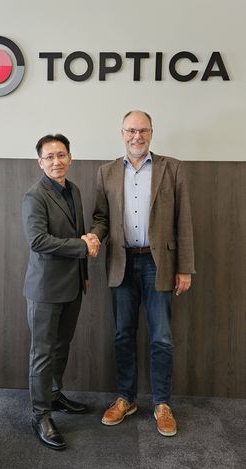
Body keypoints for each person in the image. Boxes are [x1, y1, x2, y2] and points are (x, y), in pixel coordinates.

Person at [88, 110, 195, 436]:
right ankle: (126, 398)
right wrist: (94, 234)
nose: (138, 136)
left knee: (161, 337)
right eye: (132, 130)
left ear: (151, 133)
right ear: (122, 133)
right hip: (121, 264)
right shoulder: (105, 172)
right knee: (123, 334)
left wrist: (185, 268)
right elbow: (101, 217)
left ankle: (162, 403)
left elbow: (183, 221)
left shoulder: (172, 167)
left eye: (143, 131)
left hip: (157, 264)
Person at [22, 134, 98, 450]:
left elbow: (77, 231)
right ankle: (40, 416)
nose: (57, 161)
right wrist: (83, 246)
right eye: (50, 156)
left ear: (70, 157)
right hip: (44, 289)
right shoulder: (35, 196)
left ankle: (54, 395)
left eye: (62, 154)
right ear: (41, 162)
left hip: (72, 286)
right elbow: (37, 241)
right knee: (42, 353)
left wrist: (84, 274)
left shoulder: (74, 190)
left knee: (62, 346)